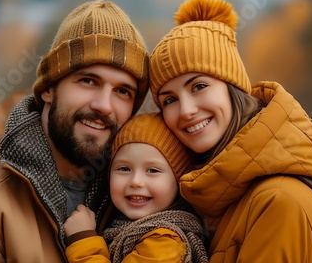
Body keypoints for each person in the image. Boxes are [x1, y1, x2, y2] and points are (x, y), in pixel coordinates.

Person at [0, 0, 149, 262]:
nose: (103, 106)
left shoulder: (141, 197)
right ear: (48, 89)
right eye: (88, 80)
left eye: (122, 91)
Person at [149, 0, 312, 262]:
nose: (185, 111)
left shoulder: (277, 204)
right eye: (169, 100)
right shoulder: (226, 199)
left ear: (233, 88)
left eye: (199, 86)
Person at [62, 112, 208, 262]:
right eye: (124, 169)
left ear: (178, 181)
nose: (136, 181)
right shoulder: (121, 226)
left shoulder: (165, 241)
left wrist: (83, 238)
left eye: (152, 170)